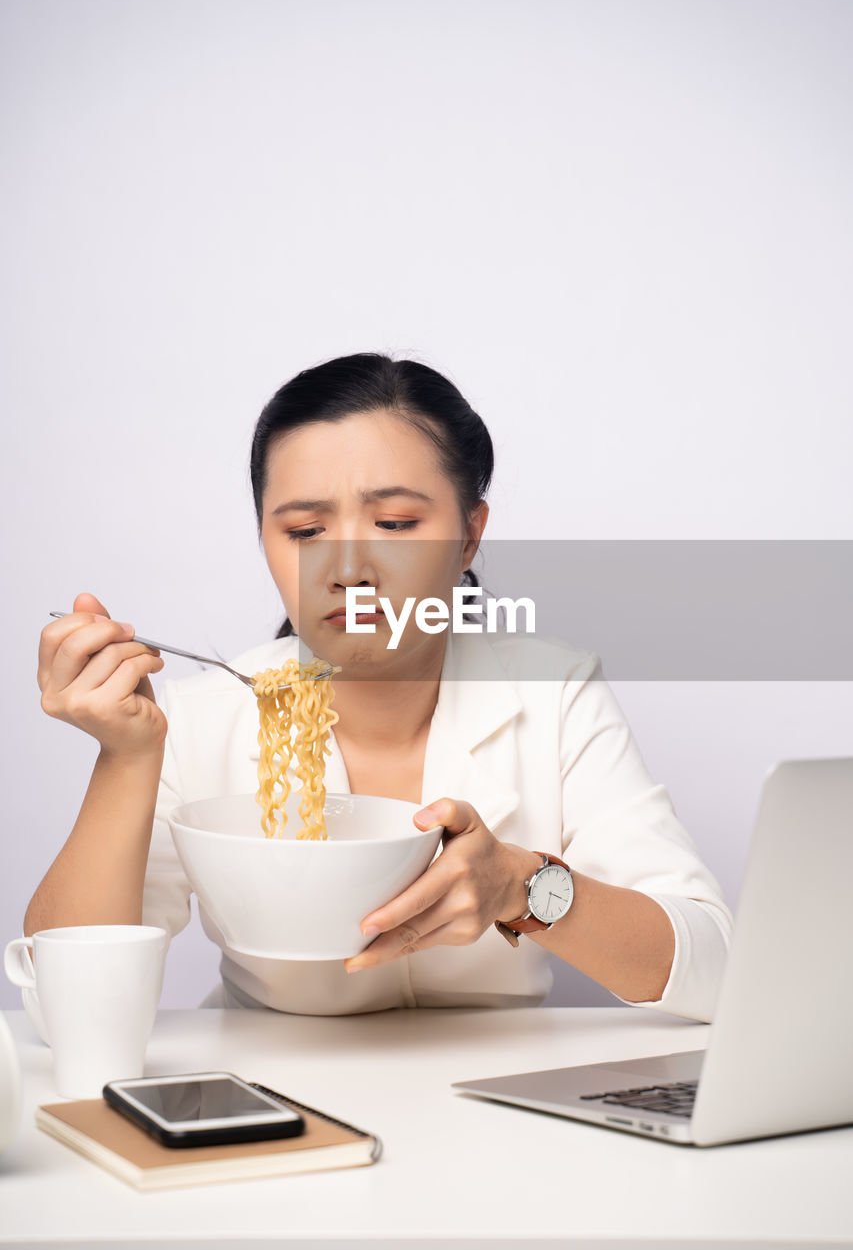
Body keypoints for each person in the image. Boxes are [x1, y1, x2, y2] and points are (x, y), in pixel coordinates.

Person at [29, 352, 732, 1021]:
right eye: (305, 531)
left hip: (496, 1103)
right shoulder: (198, 718)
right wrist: (124, 759)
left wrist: (520, 887)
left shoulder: (554, 693)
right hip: (269, 1091)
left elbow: (713, 971)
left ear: (467, 536)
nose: (347, 568)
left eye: (395, 524)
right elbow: (64, 1009)